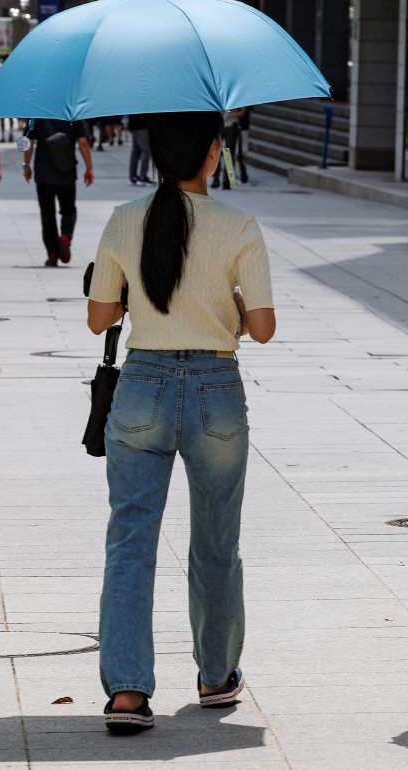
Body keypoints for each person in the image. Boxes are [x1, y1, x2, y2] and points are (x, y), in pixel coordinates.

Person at [86, 110, 276, 733]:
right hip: (215, 389)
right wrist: (235, 307)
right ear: (213, 152)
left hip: (142, 384)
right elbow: (263, 329)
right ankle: (216, 674)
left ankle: (127, 692)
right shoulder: (238, 225)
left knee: (130, 539)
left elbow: (99, 317)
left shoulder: (124, 219)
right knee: (217, 539)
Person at [23, 119, 93, 265]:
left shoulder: (36, 113)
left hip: (43, 173)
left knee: (47, 214)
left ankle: (53, 253)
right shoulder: (73, 113)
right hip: (66, 171)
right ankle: (65, 237)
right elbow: (83, 142)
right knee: (69, 210)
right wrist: (89, 168)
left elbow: (28, 141)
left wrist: (27, 166)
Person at [210, 110, 241, 189]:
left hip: (231, 124)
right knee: (216, 152)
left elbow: (243, 110)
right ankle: (216, 178)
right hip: (218, 126)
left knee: (228, 154)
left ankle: (226, 180)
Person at [127, 112, 151, 185]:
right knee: (146, 150)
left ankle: (133, 176)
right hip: (141, 125)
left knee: (136, 151)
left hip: (136, 124)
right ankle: (142, 176)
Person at [236, 106, 251, 184]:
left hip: (239, 126)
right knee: (229, 152)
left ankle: (242, 172)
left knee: (240, 151)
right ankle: (241, 172)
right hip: (229, 126)